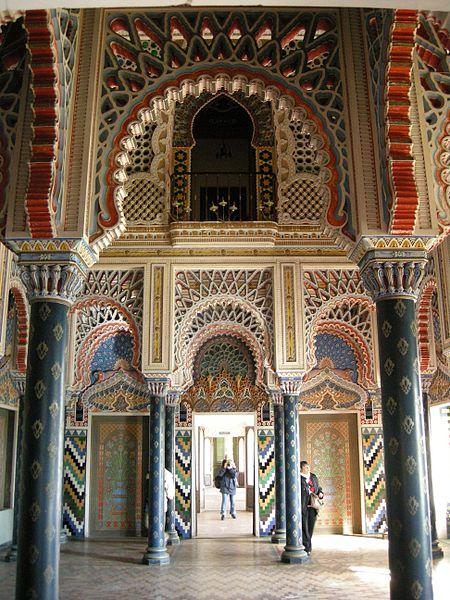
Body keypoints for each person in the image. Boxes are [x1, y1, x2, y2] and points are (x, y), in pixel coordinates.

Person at [300, 460, 324, 554]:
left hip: (313, 507)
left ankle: (307, 544)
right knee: (304, 527)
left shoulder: (313, 477)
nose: (308, 469)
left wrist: (321, 493)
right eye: (306, 467)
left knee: (310, 527)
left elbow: (318, 488)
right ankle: (307, 547)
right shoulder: (298, 478)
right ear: (301, 469)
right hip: (304, 506)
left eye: (308, 467)